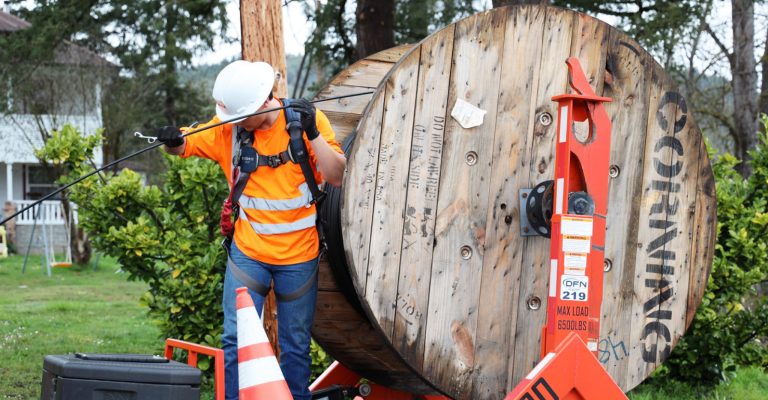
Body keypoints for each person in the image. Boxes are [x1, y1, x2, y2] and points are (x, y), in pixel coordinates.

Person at [158, 60, 345, 400]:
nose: (235, 122)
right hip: (248, 256)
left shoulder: (306, 123)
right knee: (235, 340)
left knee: (295, 347)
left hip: (299, 259)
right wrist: (171, 140)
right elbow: (184, 144)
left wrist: (313, 134)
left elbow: (336, 175)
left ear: (262, 104)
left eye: (241, 116)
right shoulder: (230, 127)